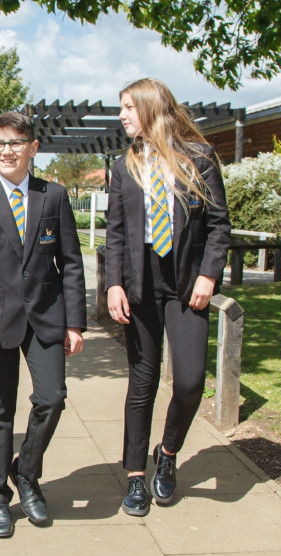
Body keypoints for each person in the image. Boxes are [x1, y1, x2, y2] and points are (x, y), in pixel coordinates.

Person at [0, 111, 87, 537]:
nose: (6, 150)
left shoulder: (54, 196)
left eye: (15, 143)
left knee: (52, 398)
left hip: (46, 320)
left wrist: (75, 323)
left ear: (32, 148)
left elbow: (71, 263)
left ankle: (25, 474)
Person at [104, 78, 231, 517]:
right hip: (139, 287)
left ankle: (169, 452)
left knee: (191, 381)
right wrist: (113, 283)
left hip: (185, 289)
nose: (121, 116)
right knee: (143, 382)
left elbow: (219, 224)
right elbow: (116, 232)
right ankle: (136, 475)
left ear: (150, 107)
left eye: (127, 107)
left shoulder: (199, 157)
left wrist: (209, 275)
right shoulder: (124, 167)